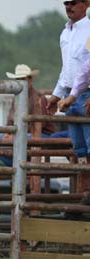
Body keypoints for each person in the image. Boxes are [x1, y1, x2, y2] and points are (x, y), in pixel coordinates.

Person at [48, 0, 90, 212]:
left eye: (73, 3)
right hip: (73, 94)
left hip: (85, 93)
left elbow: (86, 69)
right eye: (66, 3)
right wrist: (57, 94)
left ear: (86, 4)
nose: (68, 7)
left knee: (89, 145)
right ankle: (86, 193)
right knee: (80, 148)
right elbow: (69, 69)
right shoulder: (66, 33)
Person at [0, 64, 59, 166]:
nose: (21, 82)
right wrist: (8, 133)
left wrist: (14, 135)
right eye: (18, 79)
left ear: (30, 80)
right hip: (25, 134)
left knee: (5, 140)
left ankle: (20, 168)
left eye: (23, 79)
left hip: (41, 135)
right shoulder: (16, 99)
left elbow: (40, 126)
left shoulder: (39, 98)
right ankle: (20, 167)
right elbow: (10, 121)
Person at [57, 39, 90, 210]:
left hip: (83, 97)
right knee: (81, 149)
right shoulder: (88, 63)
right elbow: (81, 78)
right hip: (80, 97)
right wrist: (69, 99)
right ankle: (87, 192)